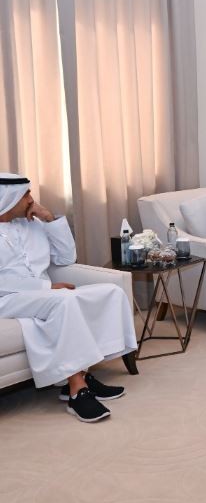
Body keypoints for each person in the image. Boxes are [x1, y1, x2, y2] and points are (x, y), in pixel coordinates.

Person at [0, 173, 137, 422]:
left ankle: (80, 374)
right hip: (8, 298)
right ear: (7, 198)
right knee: (64, 300)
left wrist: (50, 219)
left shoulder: (33, 224)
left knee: (111, 292)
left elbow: (66, 257)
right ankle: (77, 389)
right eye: (25, 195)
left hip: (42, 295)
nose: (31, 200)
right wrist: (47, 287)